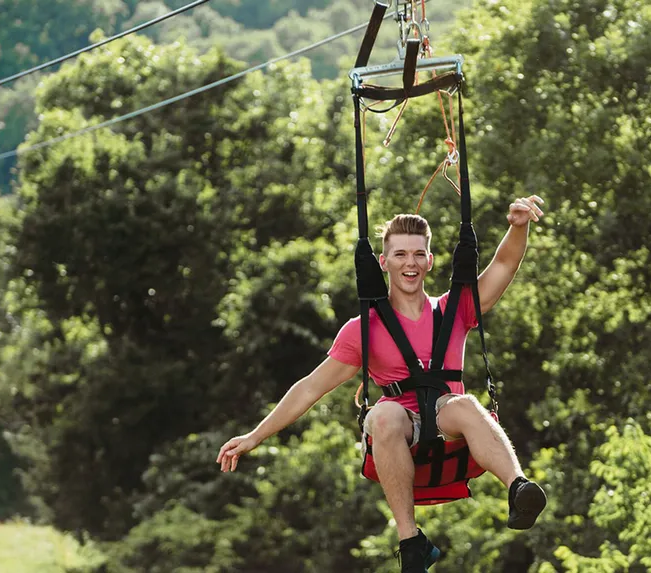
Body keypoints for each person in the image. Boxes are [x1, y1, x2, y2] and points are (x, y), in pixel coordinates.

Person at [217, 195, 548, 572]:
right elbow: (311, 387)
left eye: (418, 254)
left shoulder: (455, 309)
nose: (411, 263)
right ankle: (411, 543)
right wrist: (254, 437)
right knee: (387, 413)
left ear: (430, 260)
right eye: (401, 255)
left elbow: (503, 264)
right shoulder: (364, 329)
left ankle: (518, 488)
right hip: (397, 430)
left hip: (448, 421)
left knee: (466, 404)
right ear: (384, 262)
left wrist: (517, 226)